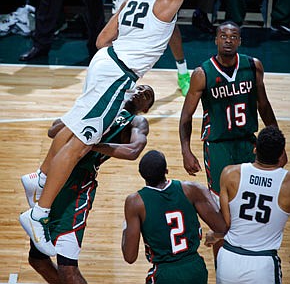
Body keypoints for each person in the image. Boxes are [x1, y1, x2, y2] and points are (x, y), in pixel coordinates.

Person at [19, 0, 271, 257]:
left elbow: (101, 40)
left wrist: (128, 49)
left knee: (76, 123)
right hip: (117, 72)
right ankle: (39, 213)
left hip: (105, 65)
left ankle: (41, 177)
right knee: (81, 143)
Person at [22, 84, 154, 284]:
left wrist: (89, 143)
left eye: (147, 95)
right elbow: (53, 131)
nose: (141, 92)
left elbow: (133, 151)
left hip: (78, 185)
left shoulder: (136, 121)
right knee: (37, 260)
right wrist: (82, 112)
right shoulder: (102, 107)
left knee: (68, 269)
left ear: (146, 108)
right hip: (55, 181)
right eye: (140, 87)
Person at [180, 20, 277, 193]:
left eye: (233, 37)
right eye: (223, 36)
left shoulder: (253, 66)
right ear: (216, 40)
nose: (228, 40)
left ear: (240, 41)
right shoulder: (202, 74)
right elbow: (186, 116)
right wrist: (186, 151)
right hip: (218, 145)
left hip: (247, 142)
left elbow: (264, 105)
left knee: (252, 194)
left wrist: (277, 141)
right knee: (220, 197)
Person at [122, 149, 227, 284]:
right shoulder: (192, 189)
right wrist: (213, 236)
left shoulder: (135, 202)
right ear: (166, 171)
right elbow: (222, 228)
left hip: (165, 274)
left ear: (142, 175)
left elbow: (130, 257)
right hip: (195, 269)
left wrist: (126, 226)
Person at [205, 125, 290, 283]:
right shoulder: (287, 185)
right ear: (281, 155)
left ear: (255, 149)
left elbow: (225, 224)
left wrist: (214, 235)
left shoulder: (230, 174)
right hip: (262, 265)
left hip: (228, 260)